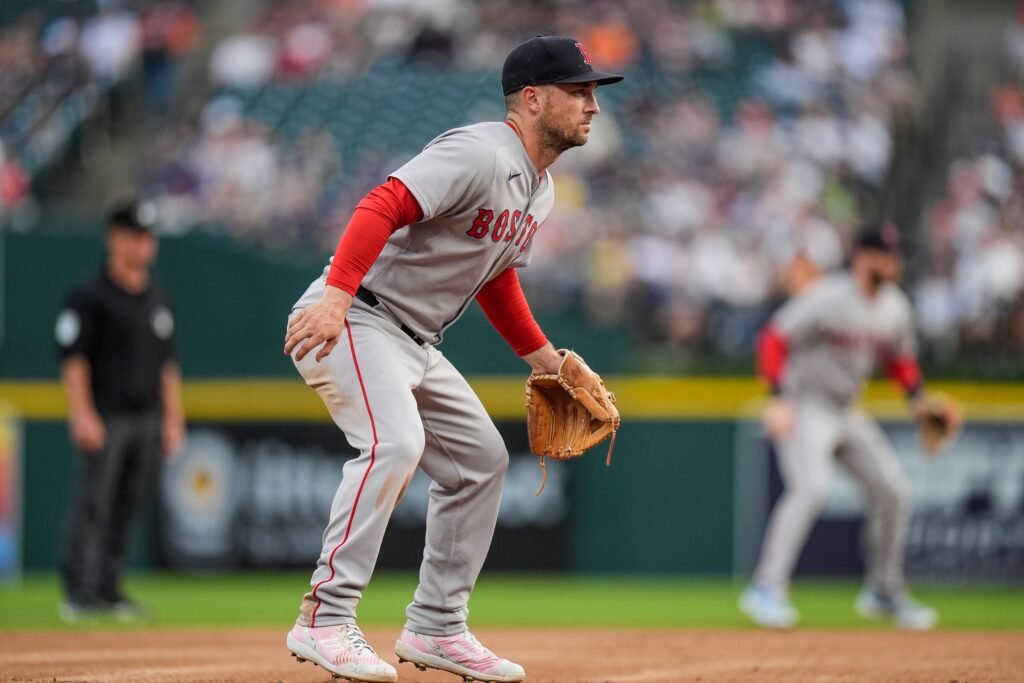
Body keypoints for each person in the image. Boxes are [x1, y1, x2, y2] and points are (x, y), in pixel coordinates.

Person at [282, 35, 622, 683]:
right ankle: (325, 616)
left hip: (415, 341)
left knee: (482, 462)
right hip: (358, 314)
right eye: (578, 91)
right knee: (395, 443)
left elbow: (496, 277)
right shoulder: (480, 151)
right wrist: (336, 296)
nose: (592, 105)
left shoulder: (541, 189)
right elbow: (382, 203)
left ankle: (437, 625)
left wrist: (545, 360)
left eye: (592, 93)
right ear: (532, 98)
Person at [740, 226, 941, 631]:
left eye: (895, 255)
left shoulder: (894, 306)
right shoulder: (828, 296)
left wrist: (918, 398)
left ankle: (883, 590)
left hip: (848, 410)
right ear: (863, 258)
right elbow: (774, 338)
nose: (893, 262)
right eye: (884, 254)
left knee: (894, 492)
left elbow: (898, 360)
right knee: (811, 487)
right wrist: (777, 397)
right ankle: (766, 588)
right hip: (806, 403)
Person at [55, 200, 185, 622]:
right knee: (95, 502)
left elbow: (167, 366)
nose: (145, 244)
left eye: (149, 237)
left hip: (147, 417)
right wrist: (81, 413)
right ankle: (79, 592)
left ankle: (108, 589)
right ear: (115, 238)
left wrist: (172, 419)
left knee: (128, 503)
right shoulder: (90, 295)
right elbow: (74, 359)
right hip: (107, 415)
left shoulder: (157, 296)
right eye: (136, 236)